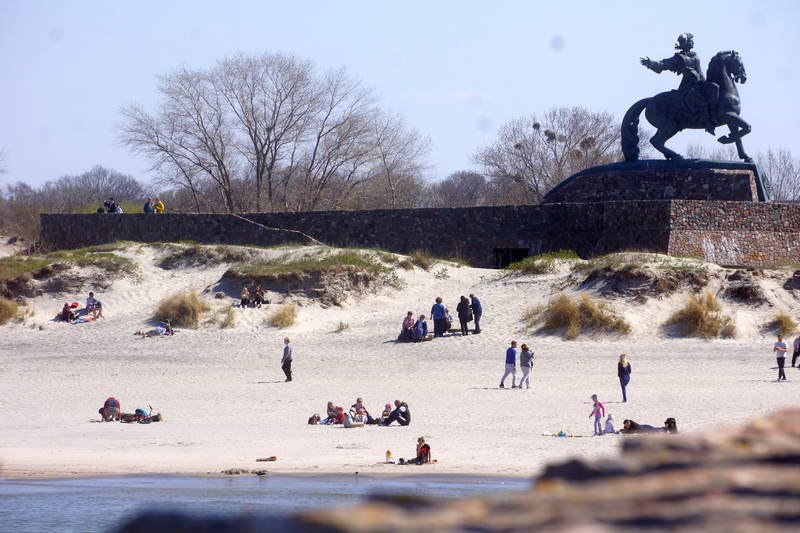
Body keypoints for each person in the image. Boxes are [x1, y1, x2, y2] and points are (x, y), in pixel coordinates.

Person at [640, 33, 714, 133]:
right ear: (686, 42)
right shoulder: (679, 58)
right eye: (691, 40)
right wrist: (650, 63)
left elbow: (699, 70)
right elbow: (663, 64)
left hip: (700, 82)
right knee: (697, 96)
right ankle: (707, 123)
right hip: (688, 85)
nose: (693, 42)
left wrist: (705, 82)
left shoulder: (695, 55)